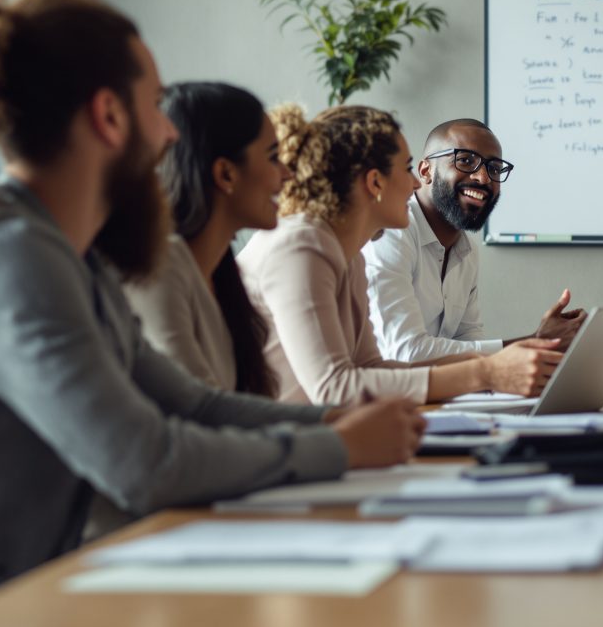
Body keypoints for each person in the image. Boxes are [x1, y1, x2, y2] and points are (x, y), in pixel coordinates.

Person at [0, 0, 422, 615]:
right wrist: (343, 447)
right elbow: (144, 461)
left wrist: (338, 422)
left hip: (32, 604)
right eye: (157, 105)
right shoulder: (8, 258)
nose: (170, 134)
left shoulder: (70, 256)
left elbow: (192, 403)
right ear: (109, 116)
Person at [238, 104, 562, 405]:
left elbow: (371, 367)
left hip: (307, 432)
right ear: (375, 182)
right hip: (264, 439)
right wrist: (486, 372)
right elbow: (334, 388)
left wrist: (508, 362)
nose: (413, 184)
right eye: (407, 168)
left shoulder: (349, 256)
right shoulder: (303, 245)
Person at [363, 118, 586, 361]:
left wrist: (542, 353)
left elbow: (468, 343)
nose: (484, 178)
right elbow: (404, 352)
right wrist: (536, 343)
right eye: (466, 160)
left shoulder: (466, 250)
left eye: (494, 168)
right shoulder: (391, 233)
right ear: (426, 171)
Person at [124, 82, 287, 393]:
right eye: (273, 157)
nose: (287, 173)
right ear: (225, 174)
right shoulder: (161, 270)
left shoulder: (220, 272)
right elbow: (200, 408)